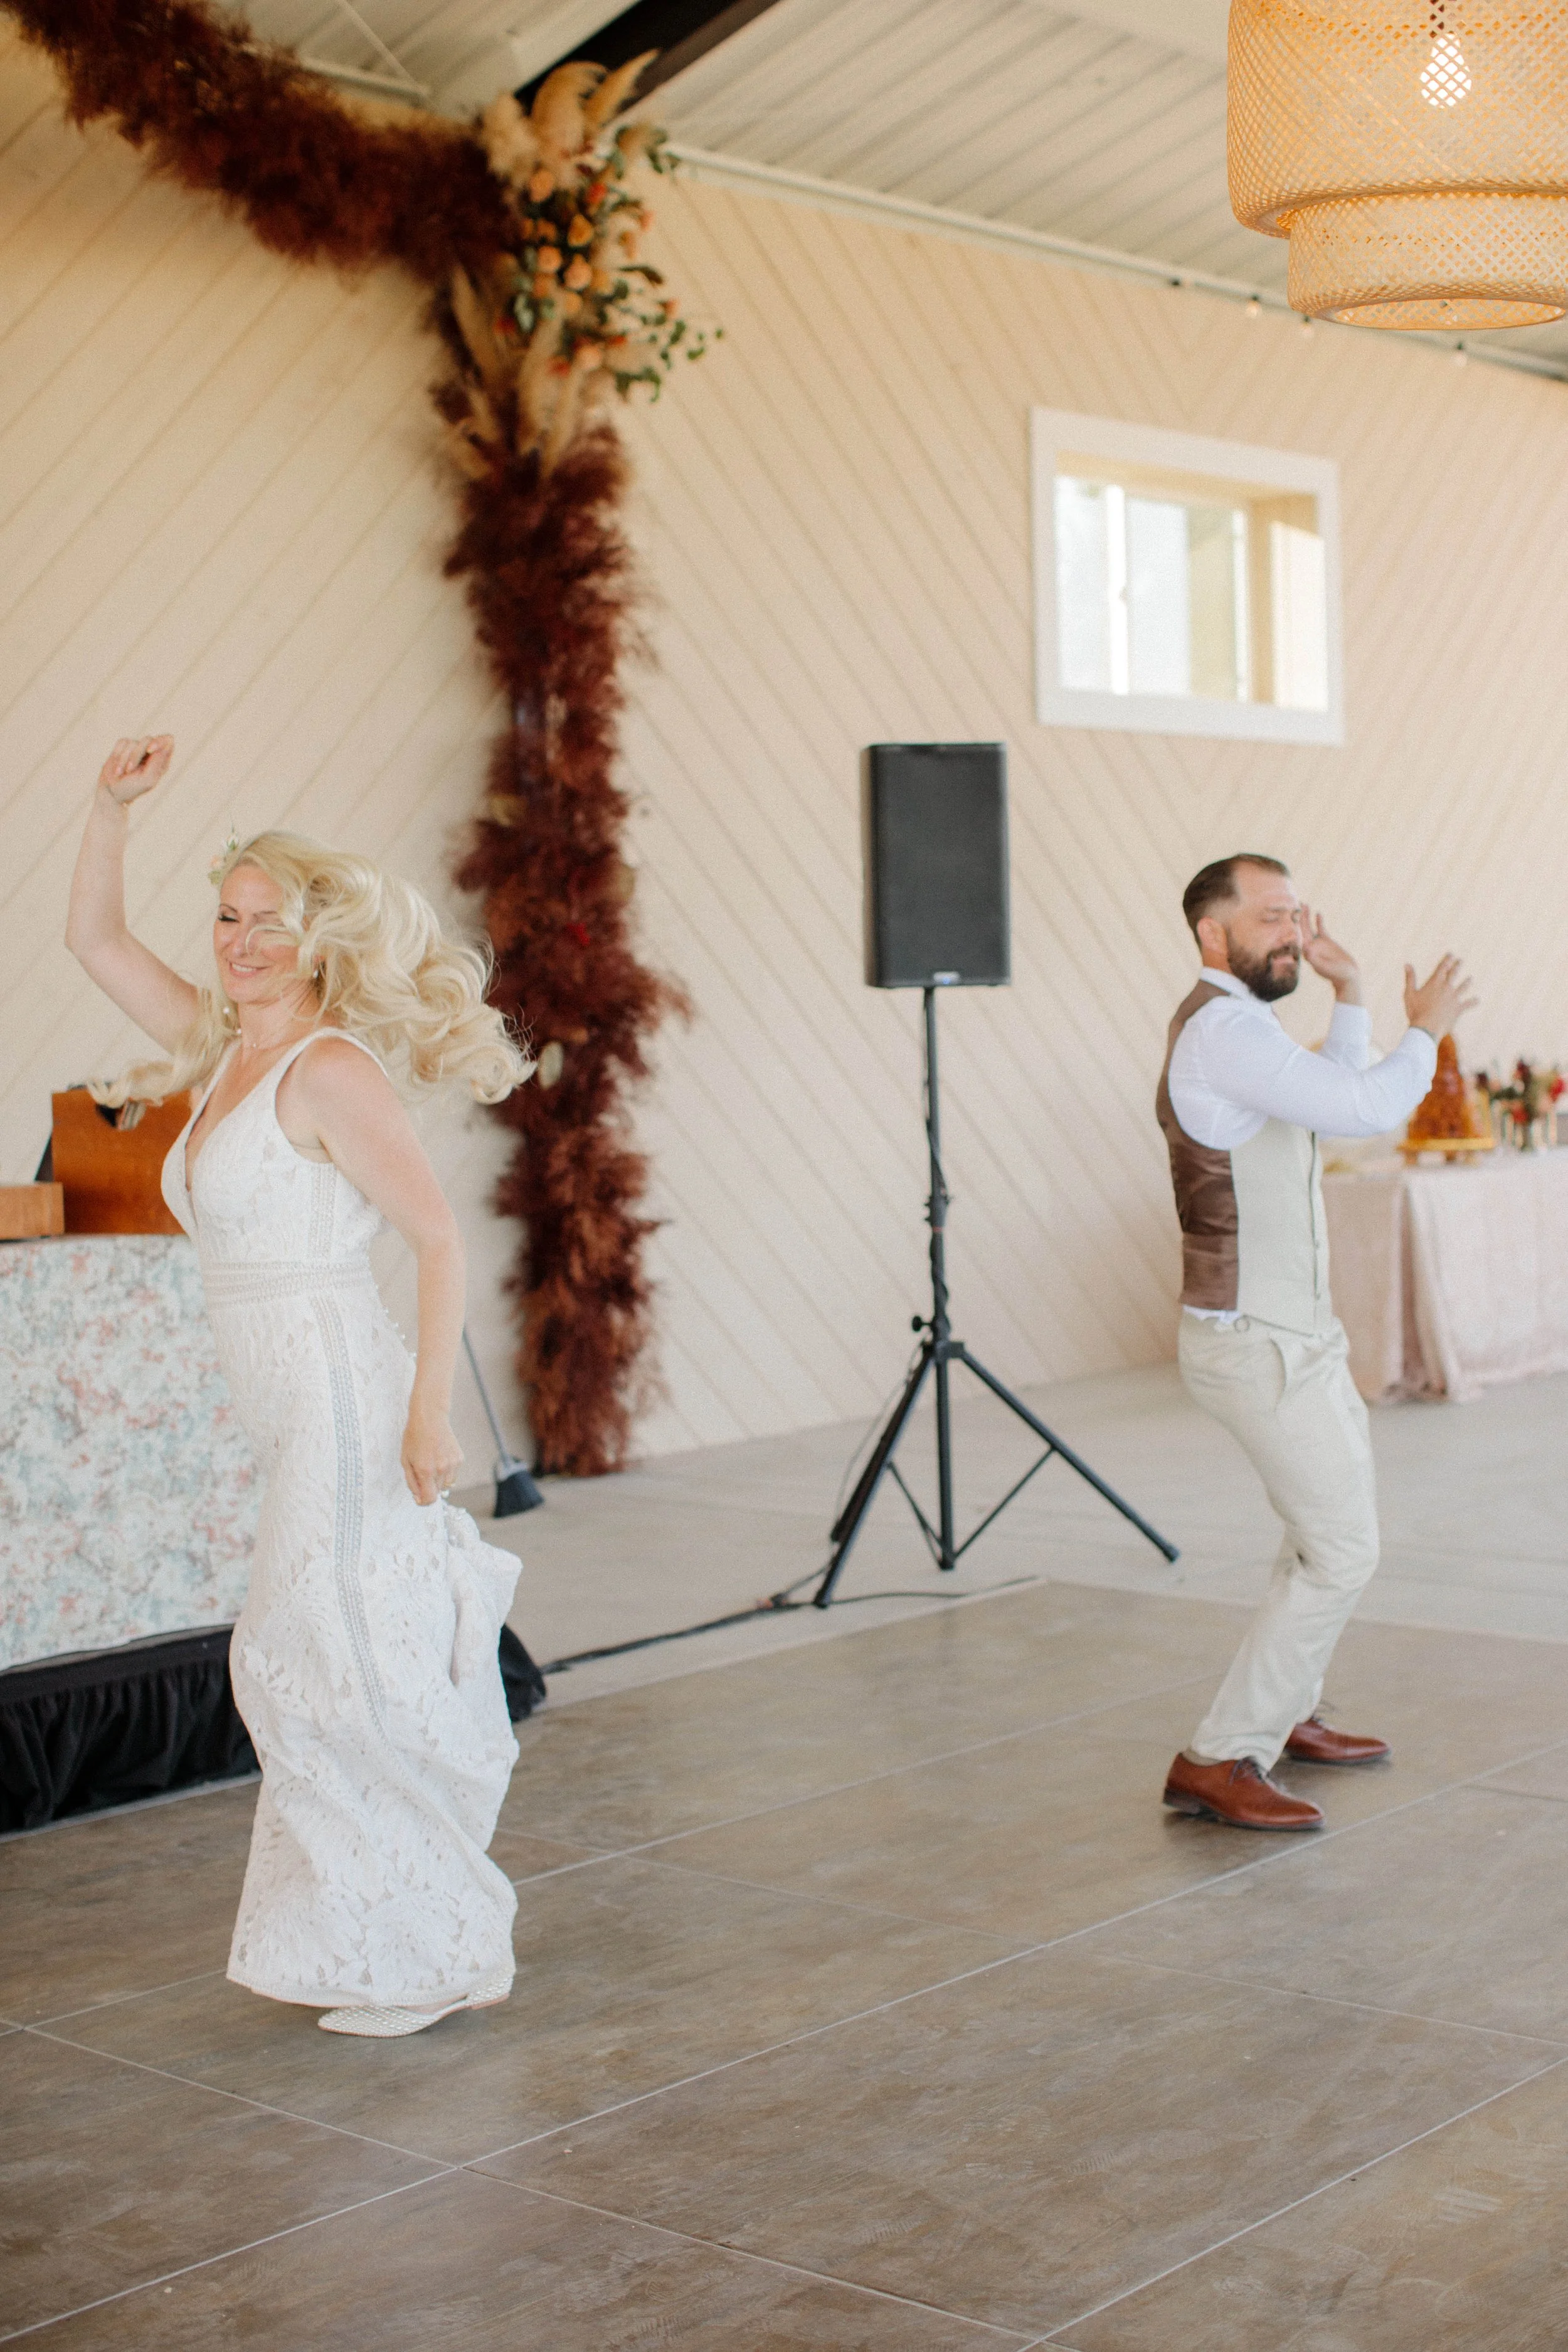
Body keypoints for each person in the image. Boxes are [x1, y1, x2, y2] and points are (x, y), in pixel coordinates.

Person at [67, 735, 541, 2035]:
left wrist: (427, 1416)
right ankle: (387, 1940)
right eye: (227, 917)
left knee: (307, 1657)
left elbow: (437, 1238)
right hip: (280, 1404)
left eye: (270, 922)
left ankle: (434, 1947)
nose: (242, 941)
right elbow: (98, 942)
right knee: (321, 1657)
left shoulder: (327, 1068)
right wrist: (111, 809)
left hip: (341, 1393)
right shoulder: (222, 1050)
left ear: (321, 939)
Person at [1157, 854, 1475, 1831]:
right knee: (1342, 1549)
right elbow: (1367, 1108)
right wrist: (1424, 1028)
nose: (1292, 930)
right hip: (1256, 1342)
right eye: (1271, 915)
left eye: (1297, 912)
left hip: (1293, 1334)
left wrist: (1355, 992)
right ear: (1215, 934)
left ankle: (1288, 1710)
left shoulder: (1246, 1029)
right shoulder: (1221, 1032)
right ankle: (1219, 1756)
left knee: (1317, 1533)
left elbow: (1330, 1105)